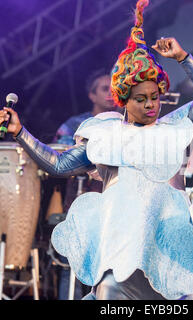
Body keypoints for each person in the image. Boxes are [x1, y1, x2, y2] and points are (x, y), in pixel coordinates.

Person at [0, 0, 193, 300]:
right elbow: (59, 165)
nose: (151, 105)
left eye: (155, 96)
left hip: (170, 259)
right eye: (141, 98)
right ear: (124, 100)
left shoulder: (176, 129)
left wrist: (183, 58)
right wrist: (20, 133)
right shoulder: (106, 135)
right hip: (120, 259)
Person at [53, 69, 117, 300]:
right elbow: (58, 153)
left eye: (113, 88)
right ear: (92, 96)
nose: (110, 94)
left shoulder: (125, 122)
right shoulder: (75, 125)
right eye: (103, 89)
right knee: (71, 263)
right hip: (80, 200)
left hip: (115, 203)